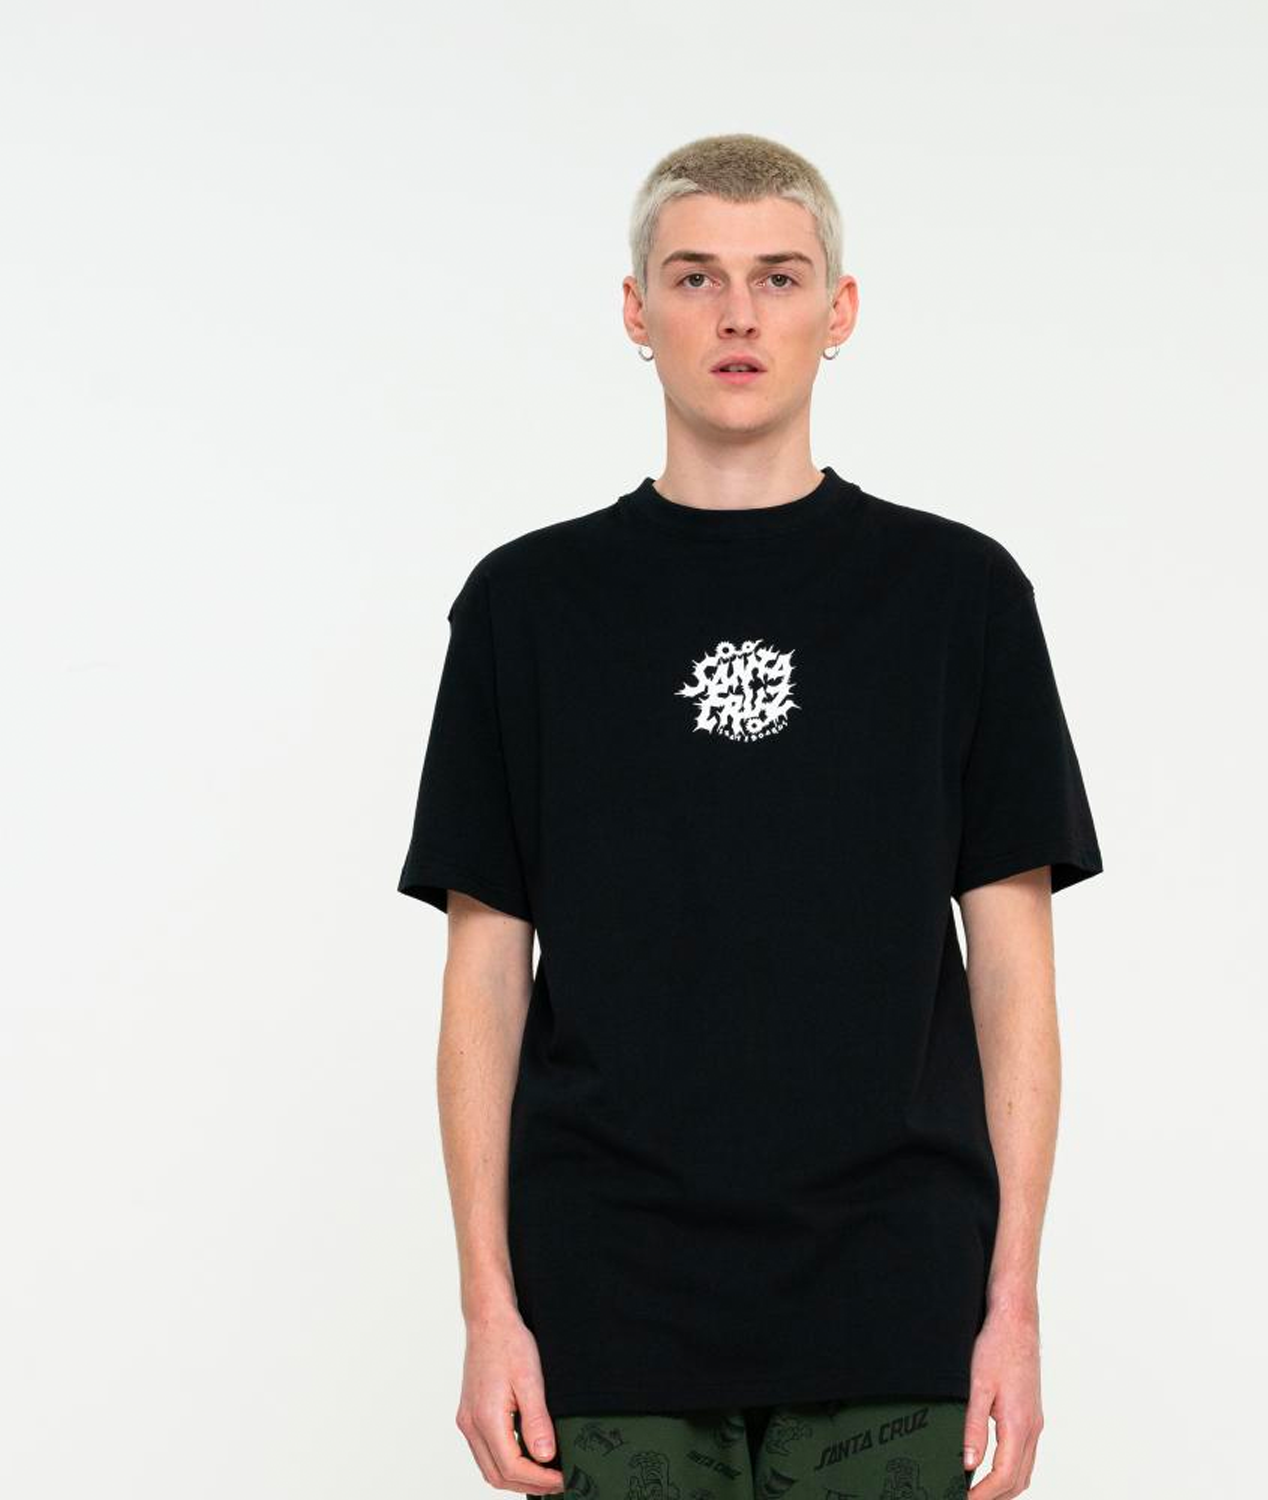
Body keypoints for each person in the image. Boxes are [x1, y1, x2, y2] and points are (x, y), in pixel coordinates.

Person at [397, 133, 1103, 1500]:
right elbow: (484, 971)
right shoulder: (527, 608)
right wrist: (489, 1305)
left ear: (839, 311)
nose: (737, 315)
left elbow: (1014, 966)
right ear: (635, 309)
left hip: (895, 1282)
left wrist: (1013, 1299)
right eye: (695, 277)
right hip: (607, 1289)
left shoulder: (957, 597)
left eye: (778, 277)